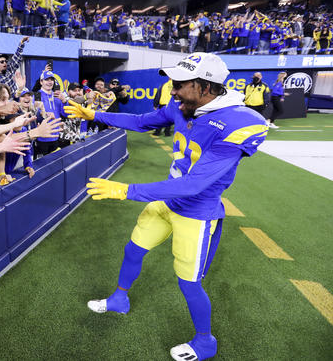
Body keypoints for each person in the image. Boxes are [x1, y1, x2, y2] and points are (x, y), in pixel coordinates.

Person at [65, 52, 268, 361]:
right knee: (134, 249)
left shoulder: (238, 122)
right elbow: (141, 121)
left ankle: (205, 342)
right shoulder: (184, 104)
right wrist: (96, 116)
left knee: (189, 283)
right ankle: (120, 298)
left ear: (203, 86)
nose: (173, 91)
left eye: (180, 85)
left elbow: (193, 184)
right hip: (165, 200)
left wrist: (126, 190)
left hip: (197, 212)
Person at [34, 70, 66, 157]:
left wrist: (64, 101)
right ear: (41, 82)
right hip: (42, 138)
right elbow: (34, 115)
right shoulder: (37, 95)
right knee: (41, 166)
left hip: (55, 137)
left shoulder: (58, 96)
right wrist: (44, 113)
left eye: (51, 80)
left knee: (55, 166)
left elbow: (66, 114)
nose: (49, 82)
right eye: (47, 79)